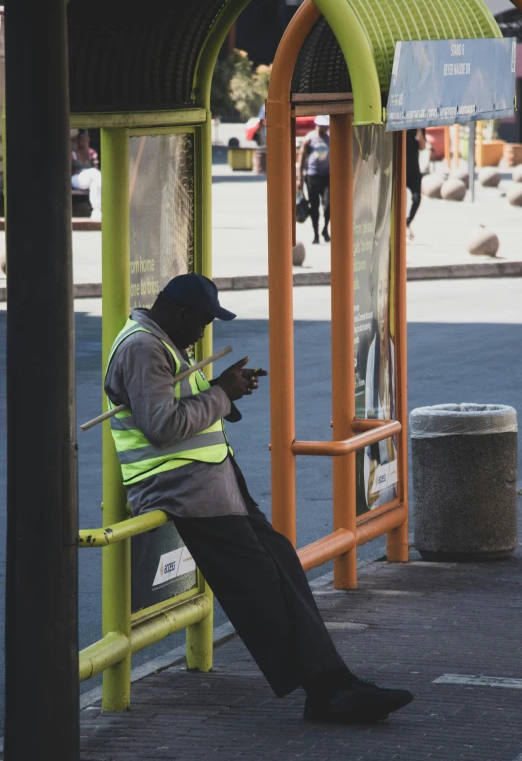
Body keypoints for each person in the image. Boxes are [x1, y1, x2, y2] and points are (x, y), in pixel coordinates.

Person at [104, 273, 413, 723]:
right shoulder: (142, 347)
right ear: (182, 314)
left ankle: (333, 684)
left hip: (210, 482)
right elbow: (162, 425)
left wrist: (222, 390)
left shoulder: (160, 341)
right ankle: (329, 690)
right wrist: (221, 394)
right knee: (261, 585)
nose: (203, 333)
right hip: (181, 488)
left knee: (280, 561)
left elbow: (178, 403)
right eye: (203, 322)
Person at [364, 242, 398, 510]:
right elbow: (371, 405)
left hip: (388, 441)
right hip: (376, 445)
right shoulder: (373, 344)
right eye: (380, 293)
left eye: (387, 292)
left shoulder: (391, 344)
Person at [297, 116, 330, 244]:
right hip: (312, 176)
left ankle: (325, 229)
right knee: (314, 207)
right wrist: (300, 178)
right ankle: (316, 234)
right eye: (324, 126)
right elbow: (301, 159)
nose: (326, 128)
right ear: (318, 125)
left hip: (327, 176)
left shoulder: (330, 138)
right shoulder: (309, 139)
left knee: (328, 205)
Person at [71, 129, 102, 221]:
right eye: (82, 140)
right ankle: (103, 204)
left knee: (95, 183)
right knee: (95, 174)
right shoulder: (73, 154)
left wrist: (94, 159)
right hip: (77, 178)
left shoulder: (91, 154)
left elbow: (96, 169)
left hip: (90, 178)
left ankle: (96, 210)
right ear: (79, 141)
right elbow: (68, 170)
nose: (84, 143)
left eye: (86, 140)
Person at [405, 128, 426, 241]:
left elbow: (423, 147)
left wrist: (418, 131)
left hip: (414, 171)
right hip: (400, 169)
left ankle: (407, 222)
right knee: (399, 200)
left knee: (417, 199)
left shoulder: (418, 126)